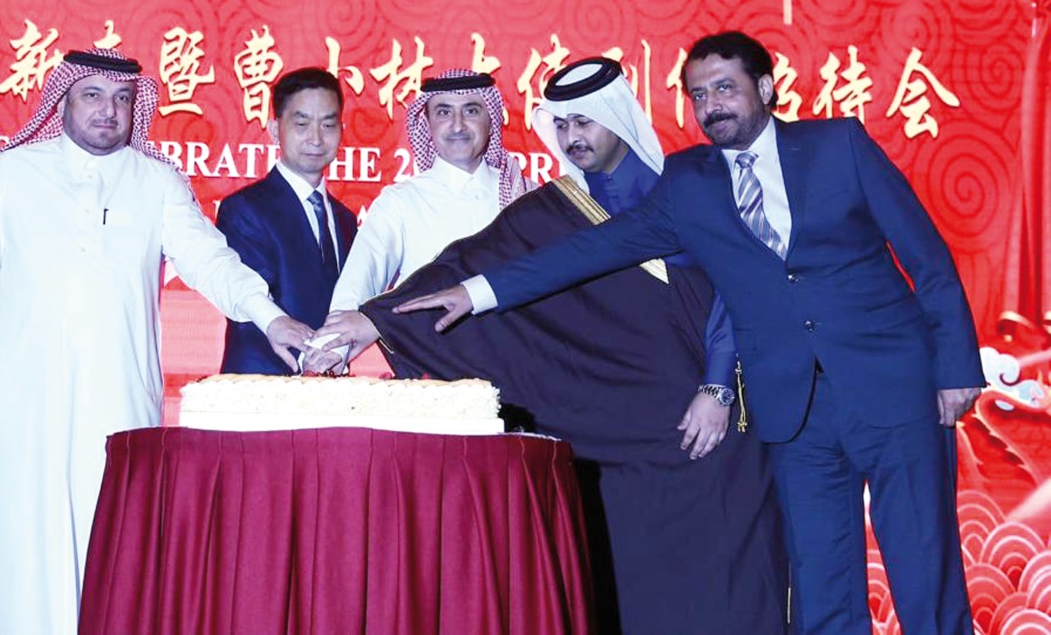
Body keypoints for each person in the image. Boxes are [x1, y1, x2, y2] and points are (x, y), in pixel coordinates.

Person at [398, 31, 983, 635]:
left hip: (894, 388)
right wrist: (475, 291)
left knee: (924, 574)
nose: (712, 106)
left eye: (725, 88)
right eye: (699, 95)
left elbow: (928, 256)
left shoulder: (839, 145)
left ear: (765, 88)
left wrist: (957, 368)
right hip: (793, 413)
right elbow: (592, 250)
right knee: (821, 586)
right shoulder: (688, 182)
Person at [360, 57, 787, 633]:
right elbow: (479, 266)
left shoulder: (695, 185)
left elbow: (738, 293)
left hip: (713, 422)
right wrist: (378, 320)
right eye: (562, 126)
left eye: (586, 123)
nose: (573, 138)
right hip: (619, 445)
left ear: (619, 118)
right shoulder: (548, 211)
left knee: (729, 581)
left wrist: (716, 384)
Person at [0, 48, 310, 634]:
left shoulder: (156, 181)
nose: (108, 112)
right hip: (20, 405)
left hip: (118, 407)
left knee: (115, 550)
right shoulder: (11, 175)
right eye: (93, 96)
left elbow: (213, 262)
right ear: (62, 100)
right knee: (20, 550)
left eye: (121, 100)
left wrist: (271, 319)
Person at [306, 70, 536, 370]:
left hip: (515, 367)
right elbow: (359, 282)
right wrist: (329, 353)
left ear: (491, 119)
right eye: (443, 112)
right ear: (425, 123)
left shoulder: (527, 196)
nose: (457, 125)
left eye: (471, 110)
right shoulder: (401, 201)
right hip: (428, 369)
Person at [216, 67, 356, 374]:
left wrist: (335, 360)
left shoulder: (346, 220)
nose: (316, 138)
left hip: (329, 391)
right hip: (259, 390)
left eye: (328, 124)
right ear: (275, 129)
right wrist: (314, 360)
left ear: (342, 130)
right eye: (302, 123)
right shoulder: (243, 209)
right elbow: (252, 301)